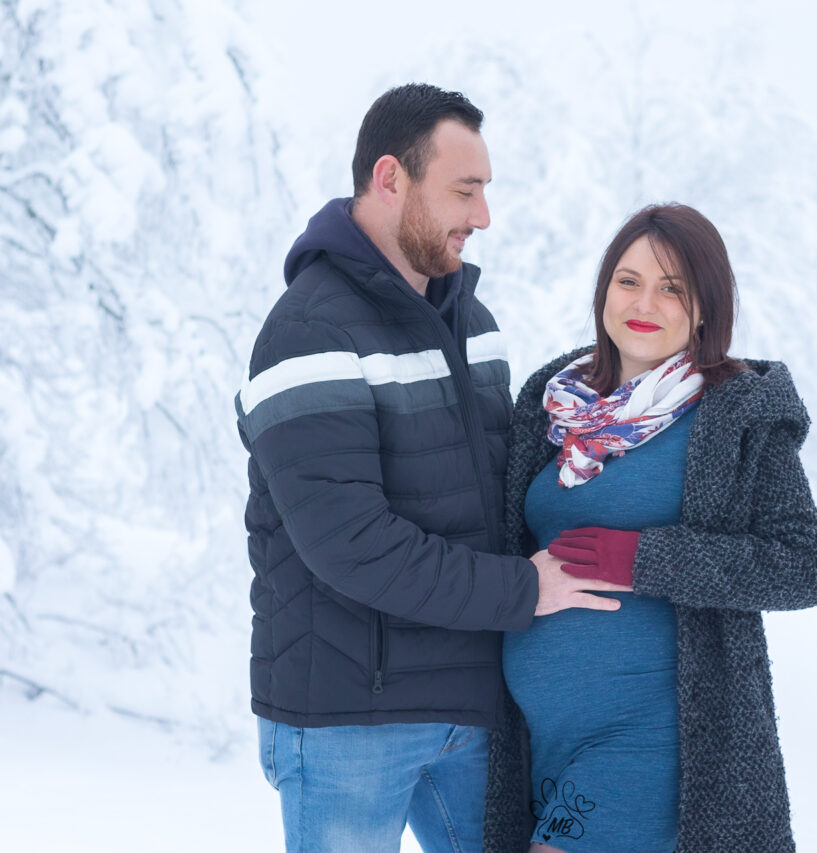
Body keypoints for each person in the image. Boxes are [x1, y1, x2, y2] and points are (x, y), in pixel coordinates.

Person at [234, 83, 627, 853]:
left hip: (471, 704)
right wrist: (524, 589)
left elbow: (504, 498)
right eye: (464, 190)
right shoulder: (306, 333)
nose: (482, 217)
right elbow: (352, 542)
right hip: (348, 717)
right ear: (390, 179)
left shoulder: (475, 327)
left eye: (485, 192)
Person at [483, 203, 817, 853]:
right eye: (629, 279)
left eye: (673, 286)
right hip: (541, 737)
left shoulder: (735, 415)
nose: (646, 301)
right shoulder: (552, 403)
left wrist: (645, 558)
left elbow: (804, 564)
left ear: (706, 306)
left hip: (648, 734)